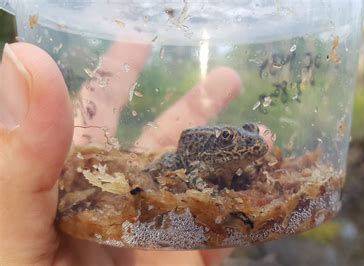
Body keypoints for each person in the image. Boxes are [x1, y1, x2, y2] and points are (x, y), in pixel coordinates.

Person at [0, 42, 272, 265]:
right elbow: (196, 178)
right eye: (227, 138)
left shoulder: (242, 161)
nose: (244, 140)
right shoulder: (203, 159)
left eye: (244, 133)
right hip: (183, 154)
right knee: (162, 165)